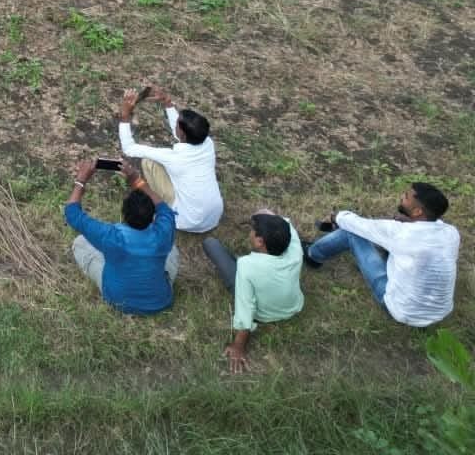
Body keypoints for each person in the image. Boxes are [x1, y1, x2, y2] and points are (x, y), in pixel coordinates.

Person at [305, 183, 459, 327]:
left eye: (406, 197)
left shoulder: (400, 233)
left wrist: (336, 217)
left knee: (350, 233)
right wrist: (409, 221)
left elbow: (358, 225)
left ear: (418, 212)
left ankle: (313, 255)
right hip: (439, 313)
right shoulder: (451, 233)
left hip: (401, 311)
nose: (401, 197)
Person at [65, 156, 179, 314]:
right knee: (172, 248)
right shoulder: (164, 232)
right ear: (153, 216)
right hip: (160, 300)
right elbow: (162, 206)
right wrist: (136, 179)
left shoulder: (112, 237)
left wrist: (81, 180)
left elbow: (72, 213)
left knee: (80, 242)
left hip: (118, 300)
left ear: (123, 214)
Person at [203, 212, 304, 373]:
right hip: (292, 307)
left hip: (263, 313)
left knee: (210, 243)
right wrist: (267, 217)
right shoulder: (295, 250)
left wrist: (239, 345)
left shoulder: (247, 265)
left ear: (259, 241)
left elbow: (246, 306)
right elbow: (285, 223)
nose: (250, 232)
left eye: (253, 230)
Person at [117, 86, 223, 234]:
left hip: (186, 220)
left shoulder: (174, 158)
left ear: (183, 135)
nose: (176, 122)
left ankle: (161, 208)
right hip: (213, 217)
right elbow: (179, 132)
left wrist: (125, 115)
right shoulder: (208, 143)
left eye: (178, 122)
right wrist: (167, 103)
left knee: (149, 163)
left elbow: (129, 148)